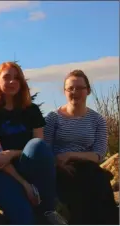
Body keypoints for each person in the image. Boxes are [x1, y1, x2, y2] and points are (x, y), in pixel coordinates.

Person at [0, 62, 67, 225]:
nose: (12, 82)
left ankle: (49, 210)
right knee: (25, 218)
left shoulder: (31, 110)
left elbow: (38, 149)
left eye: (17, 78)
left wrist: (13, 153)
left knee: (38, 147)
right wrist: (25, 185)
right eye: (7, 77)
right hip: (0, 172)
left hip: (28, 166)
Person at [44, 70, 119, 224]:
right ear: (64, 92)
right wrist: (58, 163)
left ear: (88, 90)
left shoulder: (97, 120)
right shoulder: (52, 118)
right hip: (60, 169)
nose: (75, 92)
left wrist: (71, 155)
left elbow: (99, 154)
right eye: (70, 88)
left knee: (99, 183)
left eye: (79, 88)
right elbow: (44, 149)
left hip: (88, 167)